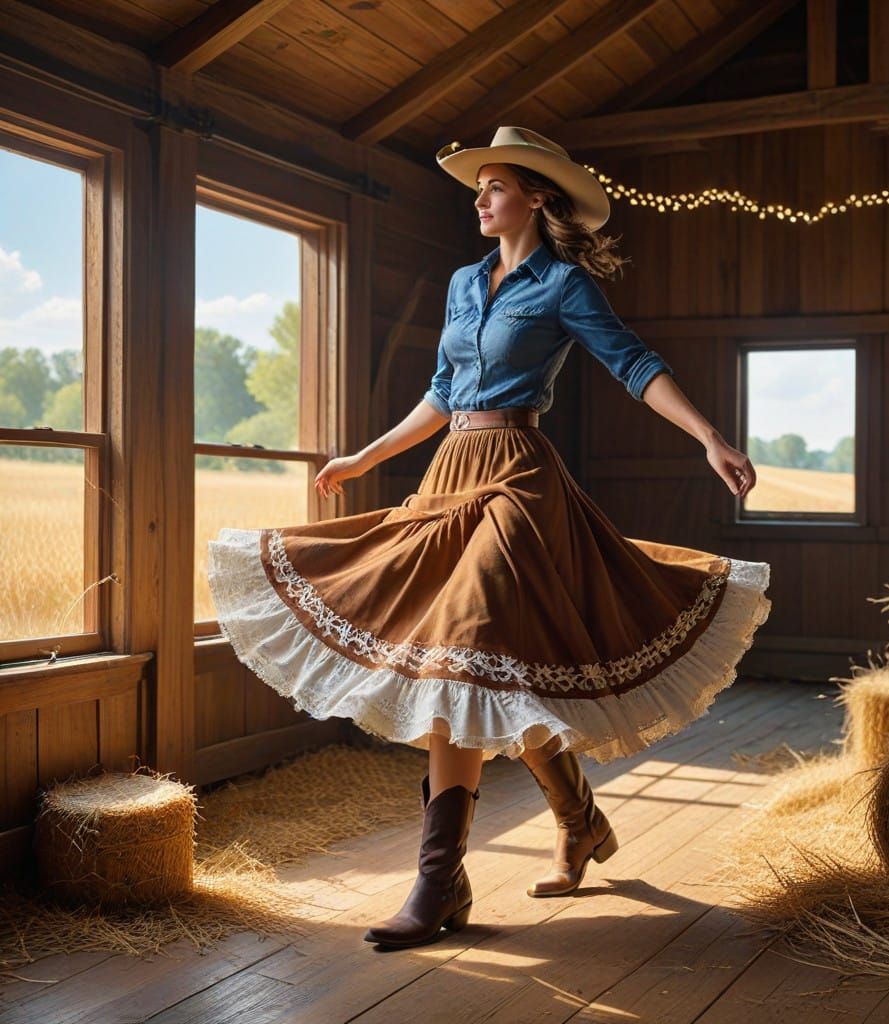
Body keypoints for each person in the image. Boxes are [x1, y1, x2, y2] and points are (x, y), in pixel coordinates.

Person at [207, 125, 771, 952]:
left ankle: (437, 882)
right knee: (494, 666)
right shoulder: (464, 281)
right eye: (478, 188)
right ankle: (577, 821)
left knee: (465, 656)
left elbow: (634, 365)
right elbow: (441, 393)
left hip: (518, 477)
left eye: (495, 186)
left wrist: (710, 437)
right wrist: (369, 454)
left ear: (537, 197)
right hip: (449, 472)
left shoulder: (563, 284)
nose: (479, 199)